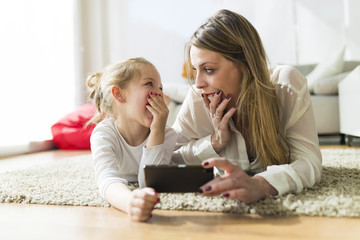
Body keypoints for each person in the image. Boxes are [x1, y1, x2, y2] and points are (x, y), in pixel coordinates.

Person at [172, 9, 322, 204]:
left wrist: (260, 184)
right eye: (195, 70)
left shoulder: (286, 85)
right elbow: (167, 159)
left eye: (208, 69)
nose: (198, 83)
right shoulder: (197, 97)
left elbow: (309, 162)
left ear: (244, 64)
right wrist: (214, 142)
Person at [87, 57, 177, 221]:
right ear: (119, 94)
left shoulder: (167, 134)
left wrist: (157, 130)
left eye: (161, 88)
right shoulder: (104, 134)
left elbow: (148, 183)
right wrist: (129, 202)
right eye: (149, 84)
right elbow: (107, 180)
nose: (159, 93)